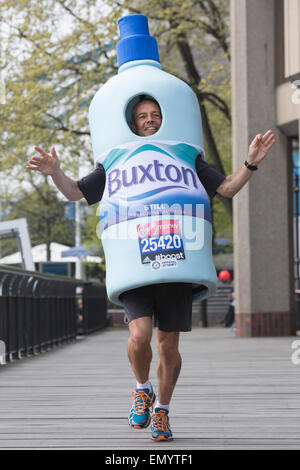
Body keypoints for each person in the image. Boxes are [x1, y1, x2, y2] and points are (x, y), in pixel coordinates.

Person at [27, 97, 275, 441]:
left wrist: (250, 163)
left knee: (168, 348)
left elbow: (227, 188)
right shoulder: (115, 162)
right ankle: (142, 389)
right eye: (143, 116)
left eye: (155, 115)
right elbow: (75, 193)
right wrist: (55, 171)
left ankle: (162, 413)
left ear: (164, 119)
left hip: (176, 263)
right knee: (139, 336)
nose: (149, 120)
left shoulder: (187, 158)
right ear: (132, 122)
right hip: (134, 262)